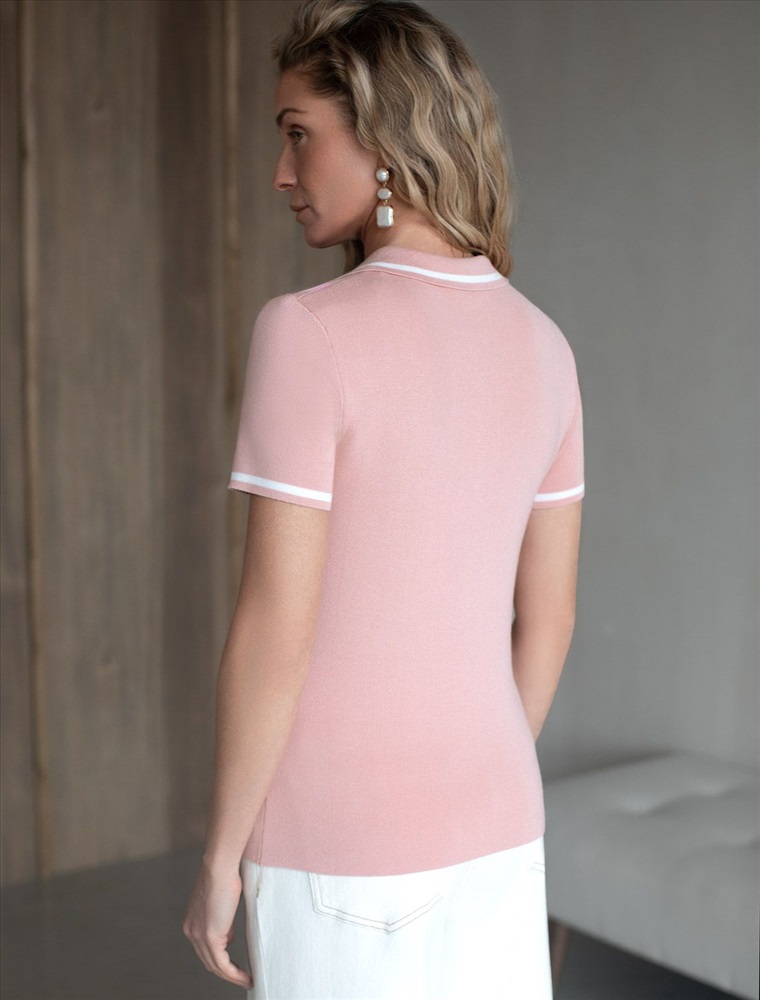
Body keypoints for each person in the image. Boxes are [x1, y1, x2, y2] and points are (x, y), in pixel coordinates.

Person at [182, 0, 584, 996]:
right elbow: (548, 618)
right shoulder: (546, 347)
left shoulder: (307, 331)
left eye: (298, 135)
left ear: (385, 140)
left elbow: (276, 627)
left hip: (340, 846)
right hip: (499, 832)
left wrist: (220, 855)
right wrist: (462, 780)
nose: (281, 173)